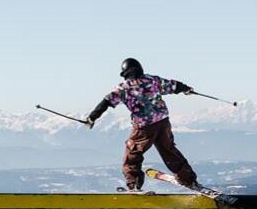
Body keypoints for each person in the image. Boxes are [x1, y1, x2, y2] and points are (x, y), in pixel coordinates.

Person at [84, 58, 203, 193]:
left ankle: (133, 184)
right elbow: (173, 85)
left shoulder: (124, 88)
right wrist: (186, 89)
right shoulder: (153, 80)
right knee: (169, 151)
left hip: (144, 126)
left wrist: (92, 117)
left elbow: (105, 102)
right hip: (163, 122)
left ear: (125, 73)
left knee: (133, 153)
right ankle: (188, 179)